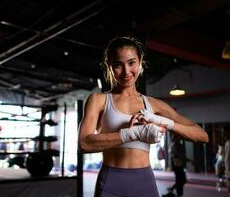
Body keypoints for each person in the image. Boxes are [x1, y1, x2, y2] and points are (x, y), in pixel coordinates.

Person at [78, 36, 209, 197]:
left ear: (140, 62)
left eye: (131, 63)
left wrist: (162, 121)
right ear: (109, 67)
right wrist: (132, 133)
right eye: (118, 65)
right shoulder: (99, 100)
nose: (126, 72)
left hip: (144, 182)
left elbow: (202, 136)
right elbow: (84, 144)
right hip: (110, 182)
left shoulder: (154, 105)